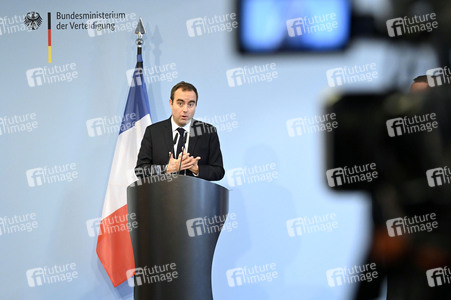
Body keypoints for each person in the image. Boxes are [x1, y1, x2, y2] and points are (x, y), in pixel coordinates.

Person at [135, 81, 225, 181]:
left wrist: (196, 169)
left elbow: (218, 171)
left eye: (191, 104)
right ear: (171, 103)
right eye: (180, 103)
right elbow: (140, 170)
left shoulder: (208, 132)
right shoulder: (153, 132)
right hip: (162, 194)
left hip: (195, 195)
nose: (185, 109)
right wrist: (167, 169)